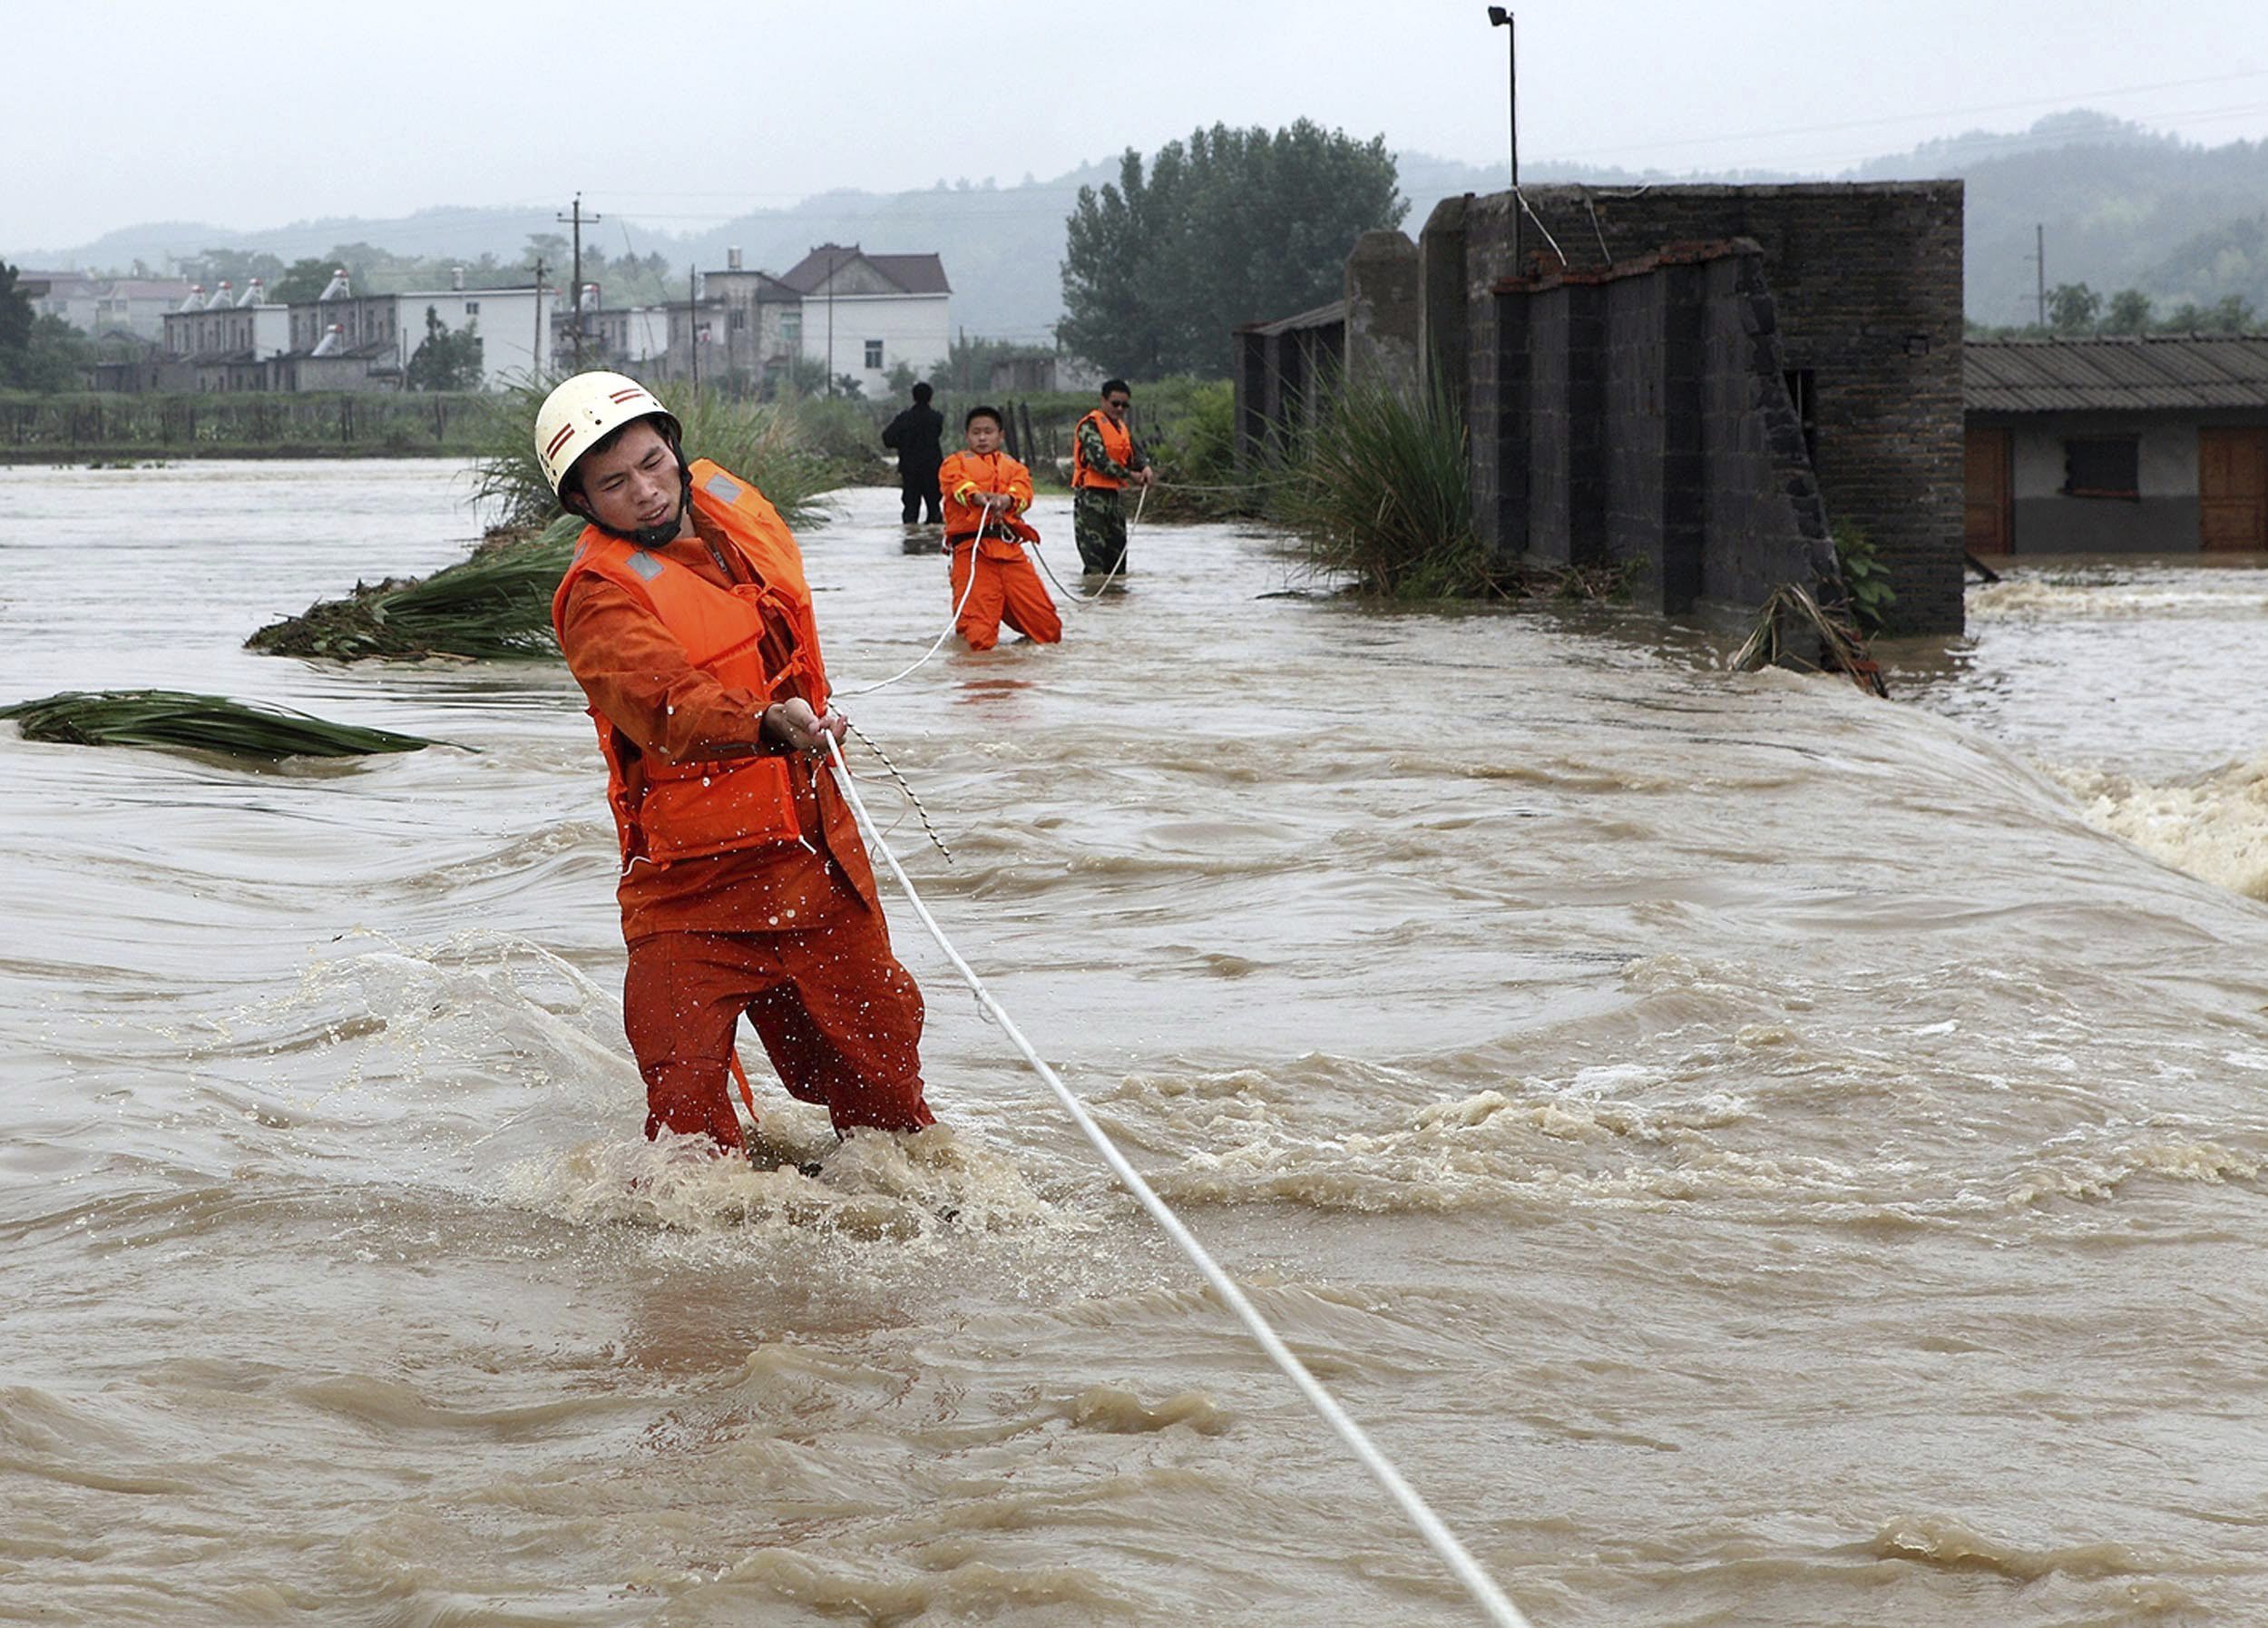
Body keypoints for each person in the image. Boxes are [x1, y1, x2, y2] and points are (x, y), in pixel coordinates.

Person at [538, 370, 934, 1160]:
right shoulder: (597, 597)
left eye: (652, 463)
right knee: (686, 1142)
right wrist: (765, 724)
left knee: (892, 1116)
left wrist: (815, 719)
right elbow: (668, 702)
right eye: (614, 483)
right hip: (691, 892)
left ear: (676, 451)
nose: (646, 492)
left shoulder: (737, 526)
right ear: (584, 505)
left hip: (817, 868)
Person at [938, 406, 1061, 652]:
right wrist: (977, 497)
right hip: (972, 552)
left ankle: (1018, 665)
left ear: (1000, 436)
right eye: (976, 433)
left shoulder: (1015, 467)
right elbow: (958, 487)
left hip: (1009, 551)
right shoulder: (954, 463)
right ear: (967, 436)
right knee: (978, 638)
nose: (982, 438)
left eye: (988, 432)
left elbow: (1024, 492)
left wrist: (1008, 500)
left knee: (1048, 631)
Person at [1071, 377, 1155, 576]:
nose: (1119, 409)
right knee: (1094, 563)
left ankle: (1116, 603)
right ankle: (1095, 601)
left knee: (1118, 563)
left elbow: (1135, 454)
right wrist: (1130, 476)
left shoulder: (1122, 429)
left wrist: (1145, 468)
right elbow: (1099, 461)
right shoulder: (1089, 426)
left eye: (1124, 405)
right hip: (1091, 499)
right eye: (1115, 403)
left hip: (1114, 499)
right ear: (1103, 400)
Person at [881, 380, 944, 526]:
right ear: (930, 397)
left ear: (913, 397)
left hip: (910, 469)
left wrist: (902, 445)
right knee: (934, 508)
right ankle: (934, 544)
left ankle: (910, 543)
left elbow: (887, 438)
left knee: (910, 510)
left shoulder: (904, 418)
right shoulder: (936, 419)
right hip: (932, 468)